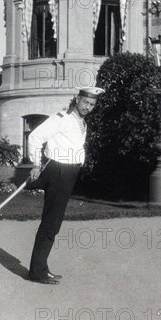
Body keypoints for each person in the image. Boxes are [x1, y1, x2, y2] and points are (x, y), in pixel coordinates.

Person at [26, 87, 105, 284]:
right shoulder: (61, 117)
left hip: (69, 173)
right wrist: (36, 163)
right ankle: (37, 271)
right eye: (86, 102)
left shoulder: (81, 122)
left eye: (92, 104)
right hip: (58, 171)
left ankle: (41, 267)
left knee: (53, 222)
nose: (88, 107)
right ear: (77, 99)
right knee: (51, 222)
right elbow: (35, 137)